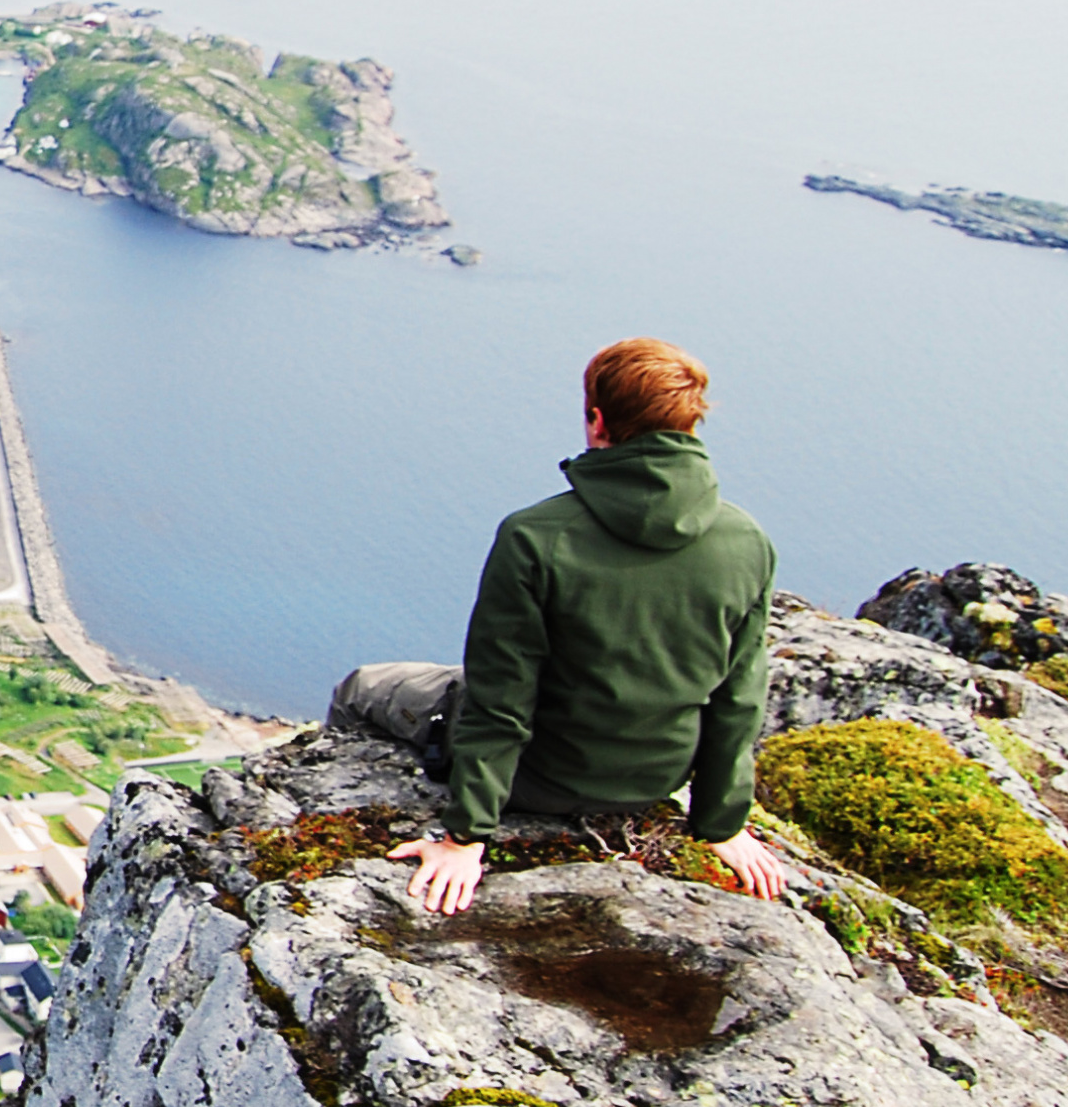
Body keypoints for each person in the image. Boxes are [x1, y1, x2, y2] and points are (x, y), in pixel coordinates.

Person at [338, 337, 790, 915]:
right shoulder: (747, 541)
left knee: (363, 687)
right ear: (690, 424)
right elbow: (739, 697)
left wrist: (465, 837)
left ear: (598, 421)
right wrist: (721, 824)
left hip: (539, 778)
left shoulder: (536, 535)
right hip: (654, 779)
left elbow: (501, 699)